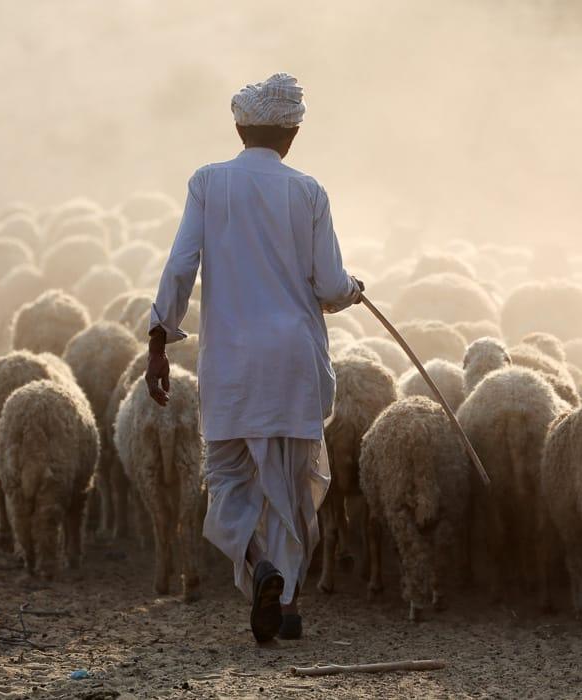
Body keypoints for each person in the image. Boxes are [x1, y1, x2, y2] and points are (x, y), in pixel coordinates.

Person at [146, 73, 363, 643]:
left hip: (234, 364)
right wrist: (354, 288)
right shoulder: (309, 191)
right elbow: (330, 283)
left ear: (240, 128)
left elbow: (180, 265)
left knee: (227, 480)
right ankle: (287, 606)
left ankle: (256, 561)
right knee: (292, 485)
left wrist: (159, 337)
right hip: (294, 359)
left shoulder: (208, 183)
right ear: (291, 134)